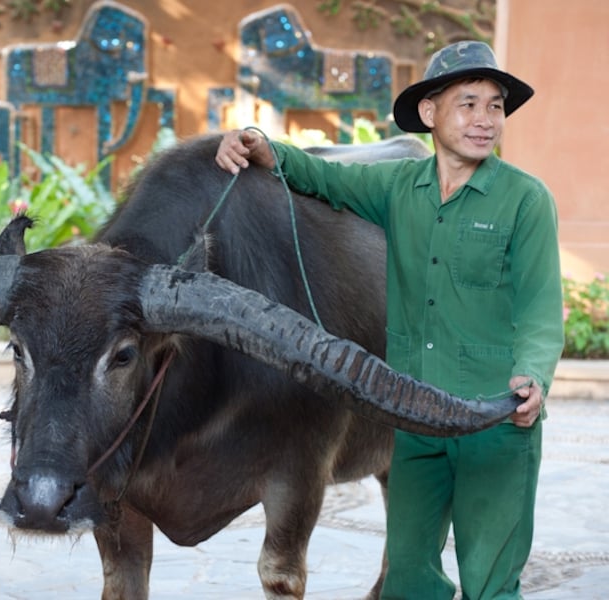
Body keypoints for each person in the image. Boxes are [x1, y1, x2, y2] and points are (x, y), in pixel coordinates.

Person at [215, 41, 564, 599]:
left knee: (491, 584)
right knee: (407, 581)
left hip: (496, 420)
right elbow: (318, 177)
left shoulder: (525, 200)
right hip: (415, 418)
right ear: (429, 113)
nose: (485, 119)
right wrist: (258, 144)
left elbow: (542, 307)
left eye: (495, 105)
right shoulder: (399, 187)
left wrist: (533, 376)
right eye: (468, 103)